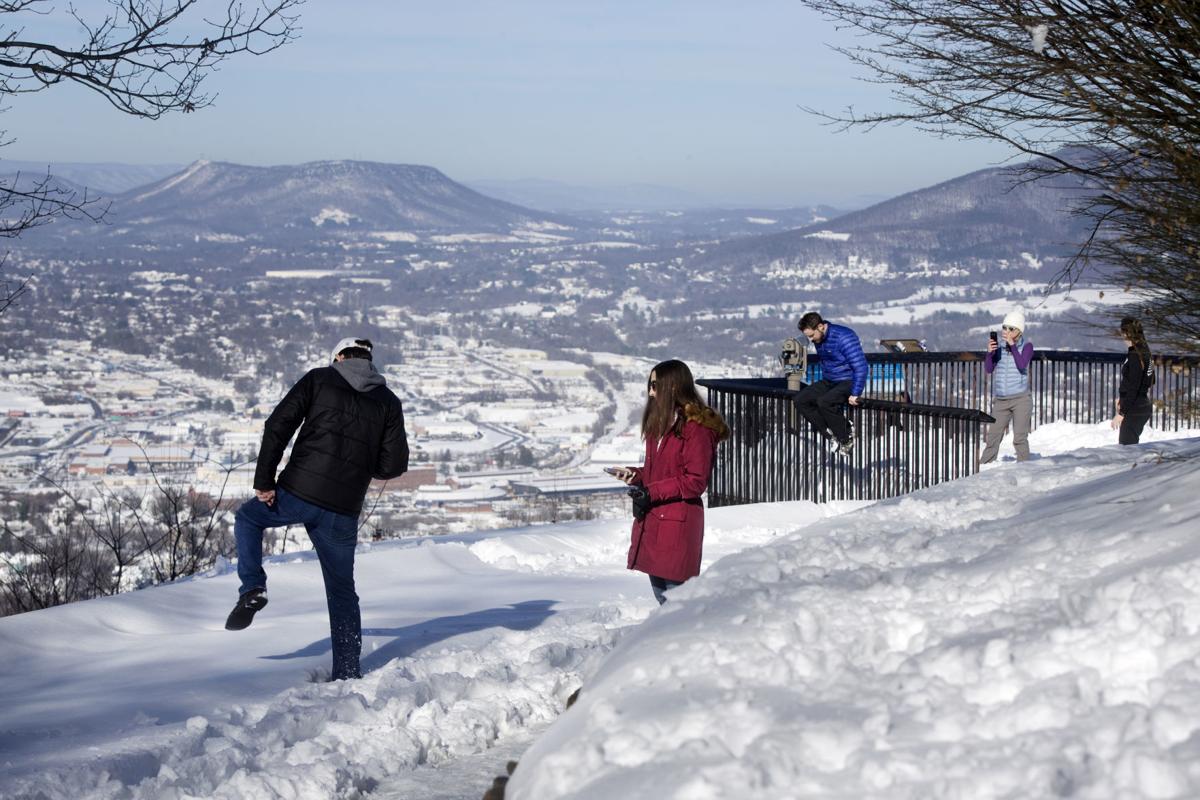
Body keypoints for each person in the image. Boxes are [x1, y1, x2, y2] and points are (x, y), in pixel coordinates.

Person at [224, 336, 409, 681]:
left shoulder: (319, 379)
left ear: (339, 357)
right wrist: (359, 466)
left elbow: (277, 426)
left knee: (248, 519)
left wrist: (264, 480)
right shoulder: (388, 402)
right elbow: (392, 466)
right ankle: (347, 672)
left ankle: (253, 587)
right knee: (342, 592)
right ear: (368, 360)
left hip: (298, 493)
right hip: (343, 508)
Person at [611, 360, 728, 605]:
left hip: (677, 523)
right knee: (662, 597)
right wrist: (635, 475)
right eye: (649, 385)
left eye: (655, 385)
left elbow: (695, 481)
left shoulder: (697, 429)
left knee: (678, 602)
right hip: (655, 520)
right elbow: (661, 472)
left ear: (673, 386)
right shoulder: (661, 424)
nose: (651, 392)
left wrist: (651, 491)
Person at [793, 312, 868, 456]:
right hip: (830, 380)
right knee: (800, 400)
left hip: (848, 380)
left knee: (824, 402)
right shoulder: (819, 339)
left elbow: (861, 366)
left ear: (820, 327)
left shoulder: (844, 337)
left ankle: (846, 437)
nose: (810, 340)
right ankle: (830, 432)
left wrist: (855, 393)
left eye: (811, 335)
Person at [981, 309, 1034, 463]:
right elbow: (989, 369)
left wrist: (1012, 346)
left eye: (1011, 328)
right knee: (992, 438)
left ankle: (1024, 469)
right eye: (1004, 328)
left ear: (1019, 331)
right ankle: (983, 469)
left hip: (1021, 399)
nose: (1007, 331)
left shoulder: (1027, 347)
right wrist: (990, 353)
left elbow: (1022, 364)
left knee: (1019, 438)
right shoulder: (1000, 348)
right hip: (1001, 400)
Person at [1112, 316, 1155, 444]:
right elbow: (1150, 380)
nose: (1122, 336)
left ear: (1127, 333)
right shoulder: (1144, 352)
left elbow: (1134, 386)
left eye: (1123, 332)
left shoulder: (1135, 355)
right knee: (1129, 447)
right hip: (1141, 405)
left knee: (1127, 449)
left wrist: (1122, 412)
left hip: (1134, 407)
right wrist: (1122, 399)